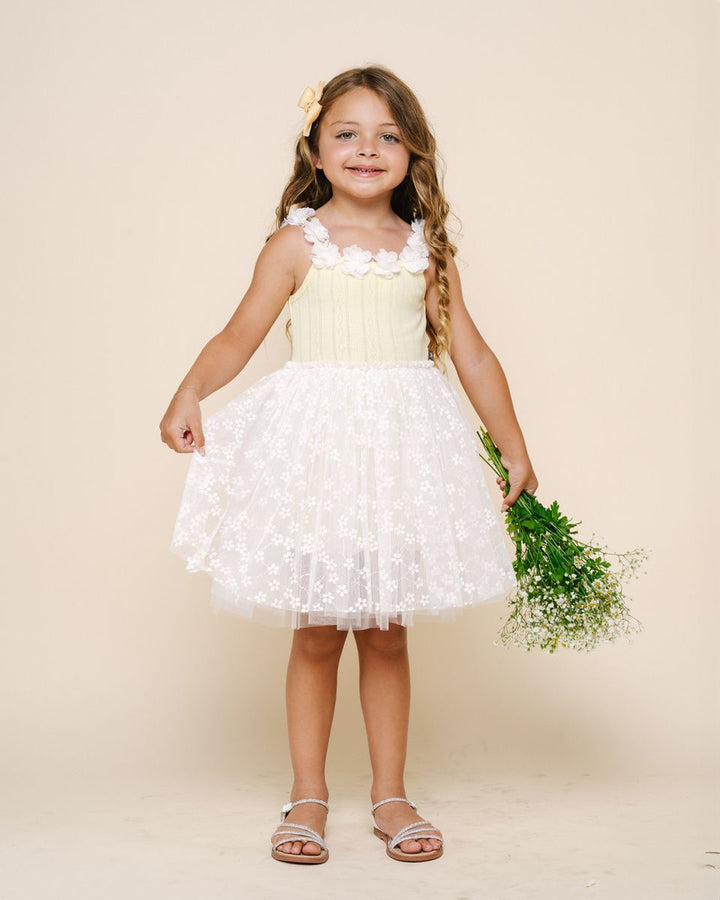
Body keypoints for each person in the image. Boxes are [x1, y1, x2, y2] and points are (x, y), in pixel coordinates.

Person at [159, 64, 538, 865]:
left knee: (389, 632)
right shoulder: (298, 242)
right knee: (319, 630)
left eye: (388, 136)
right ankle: (308, 793)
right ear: (318, 149)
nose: (368, 149)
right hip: (320, 456)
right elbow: (240, 335)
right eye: (348, 133)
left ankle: (391, 793)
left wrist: (512, 442)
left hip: (401, 455)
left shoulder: (425, 249)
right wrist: (190, 392)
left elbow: (468, 351)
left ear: (412, 154)